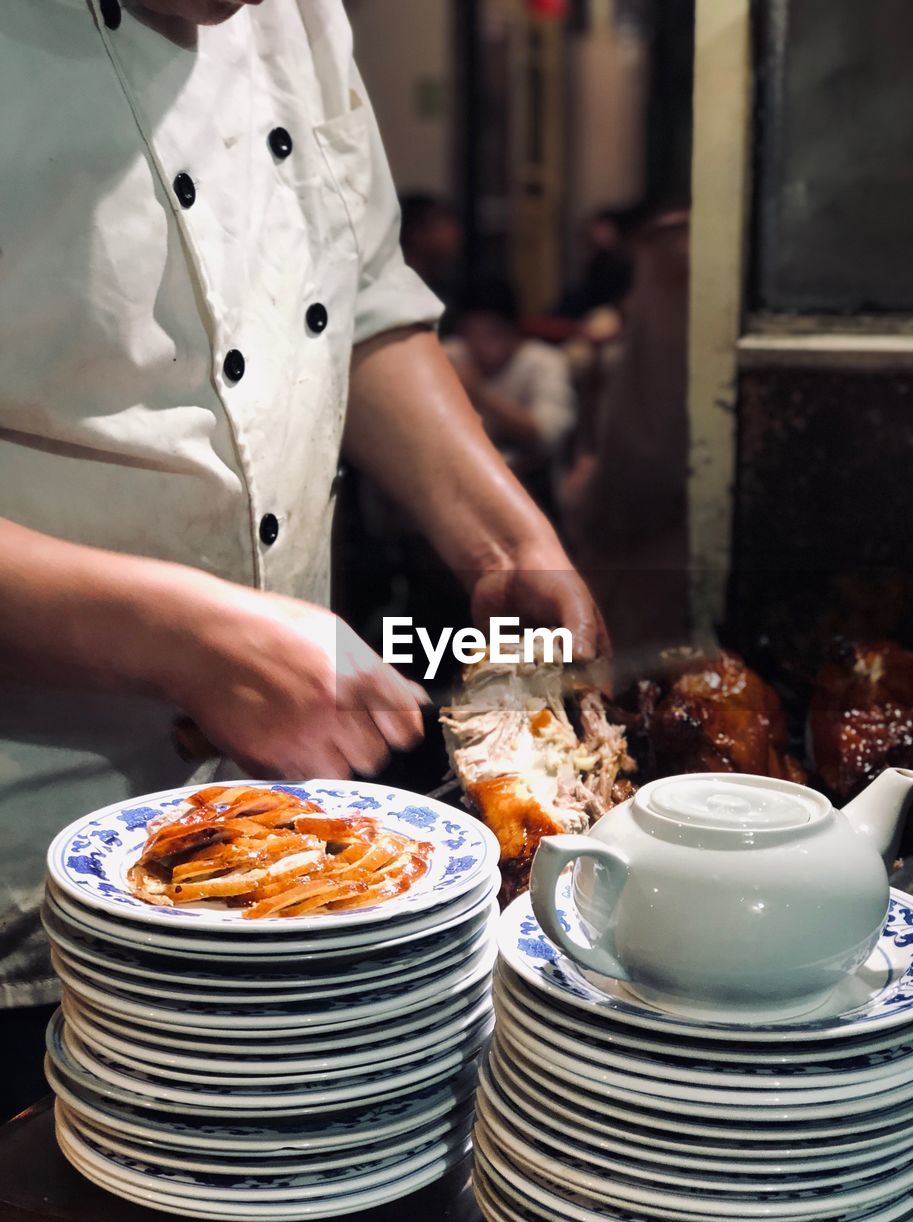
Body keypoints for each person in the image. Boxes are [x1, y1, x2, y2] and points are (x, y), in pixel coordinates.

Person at [0, 0, 606, 1118]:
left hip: (282, 839)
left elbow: (362, 304)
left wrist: (502, 532)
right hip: (22, 845)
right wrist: (180, 635)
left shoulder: (302, 20)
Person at [445, 277, 576, 511]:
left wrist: (480, 393)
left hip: (533, 494)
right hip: (461, 491)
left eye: (492, 332)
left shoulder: (543, 362)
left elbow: (547, 435)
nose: (479, 343)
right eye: (470, 333)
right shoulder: (451, 356)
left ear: (513, 330)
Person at [398, 192, 464, 333]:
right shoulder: (395, 290)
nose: (454, 232)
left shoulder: (450, 287)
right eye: (441, 226)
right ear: (415, 234)